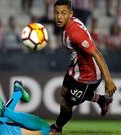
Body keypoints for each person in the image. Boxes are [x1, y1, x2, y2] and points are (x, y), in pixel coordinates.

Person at [49, 0, 117, 134]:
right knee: (64, 92)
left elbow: (97, 53)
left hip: (88, 75)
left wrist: (108, 80)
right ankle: (102, 100)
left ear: (70, 14)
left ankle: (57, 128)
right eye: (56, 13)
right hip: (75, 68)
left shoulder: (75, 33)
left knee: (65, 104)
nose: (59, 17)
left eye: (63, 13)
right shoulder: (69, 25)